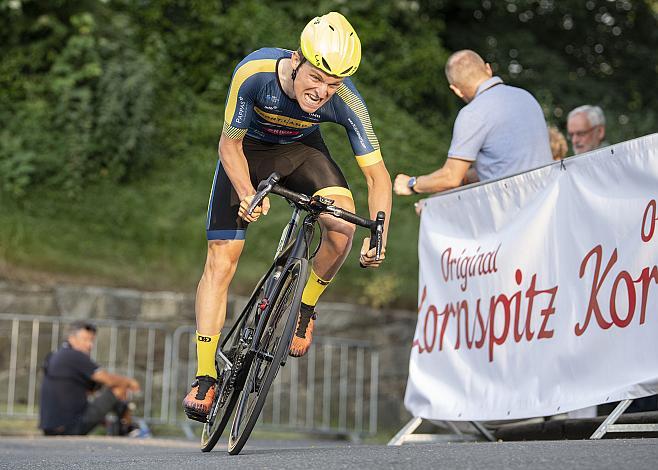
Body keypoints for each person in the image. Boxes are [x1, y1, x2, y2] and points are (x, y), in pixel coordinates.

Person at [182, 11, 391, 421]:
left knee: (343, 227)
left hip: (301, 153)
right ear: (297, 59)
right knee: (222, 257)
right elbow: (228, 146)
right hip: (245, 157)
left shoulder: (347, 101)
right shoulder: (255, 73)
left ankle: (305, 306)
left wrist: (379, 231)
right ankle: (206, 374)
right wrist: (246, 193)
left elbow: (376, 175)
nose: (322, 92)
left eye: (334, 84)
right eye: (316, 78)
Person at [393, 49, 552, 200]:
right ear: (488, 69)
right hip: (547, 203)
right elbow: (508, 164)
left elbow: (450, 177)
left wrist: (412, 184)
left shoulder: (473, 113)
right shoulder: (526, 97)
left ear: (456, 90)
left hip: (512, 214)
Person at [39, 321, 141, 436]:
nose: (90, 345)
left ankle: (123, 426)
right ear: (72, 338)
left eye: (92, 340)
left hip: (52, 427)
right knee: (119, 387)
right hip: (69, 428)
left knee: (103, 394)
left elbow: (91, 391)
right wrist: (130, 382)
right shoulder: (75, 356)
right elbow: (108, 380)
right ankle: (127, 428)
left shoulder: (56, 354)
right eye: (85, 340)